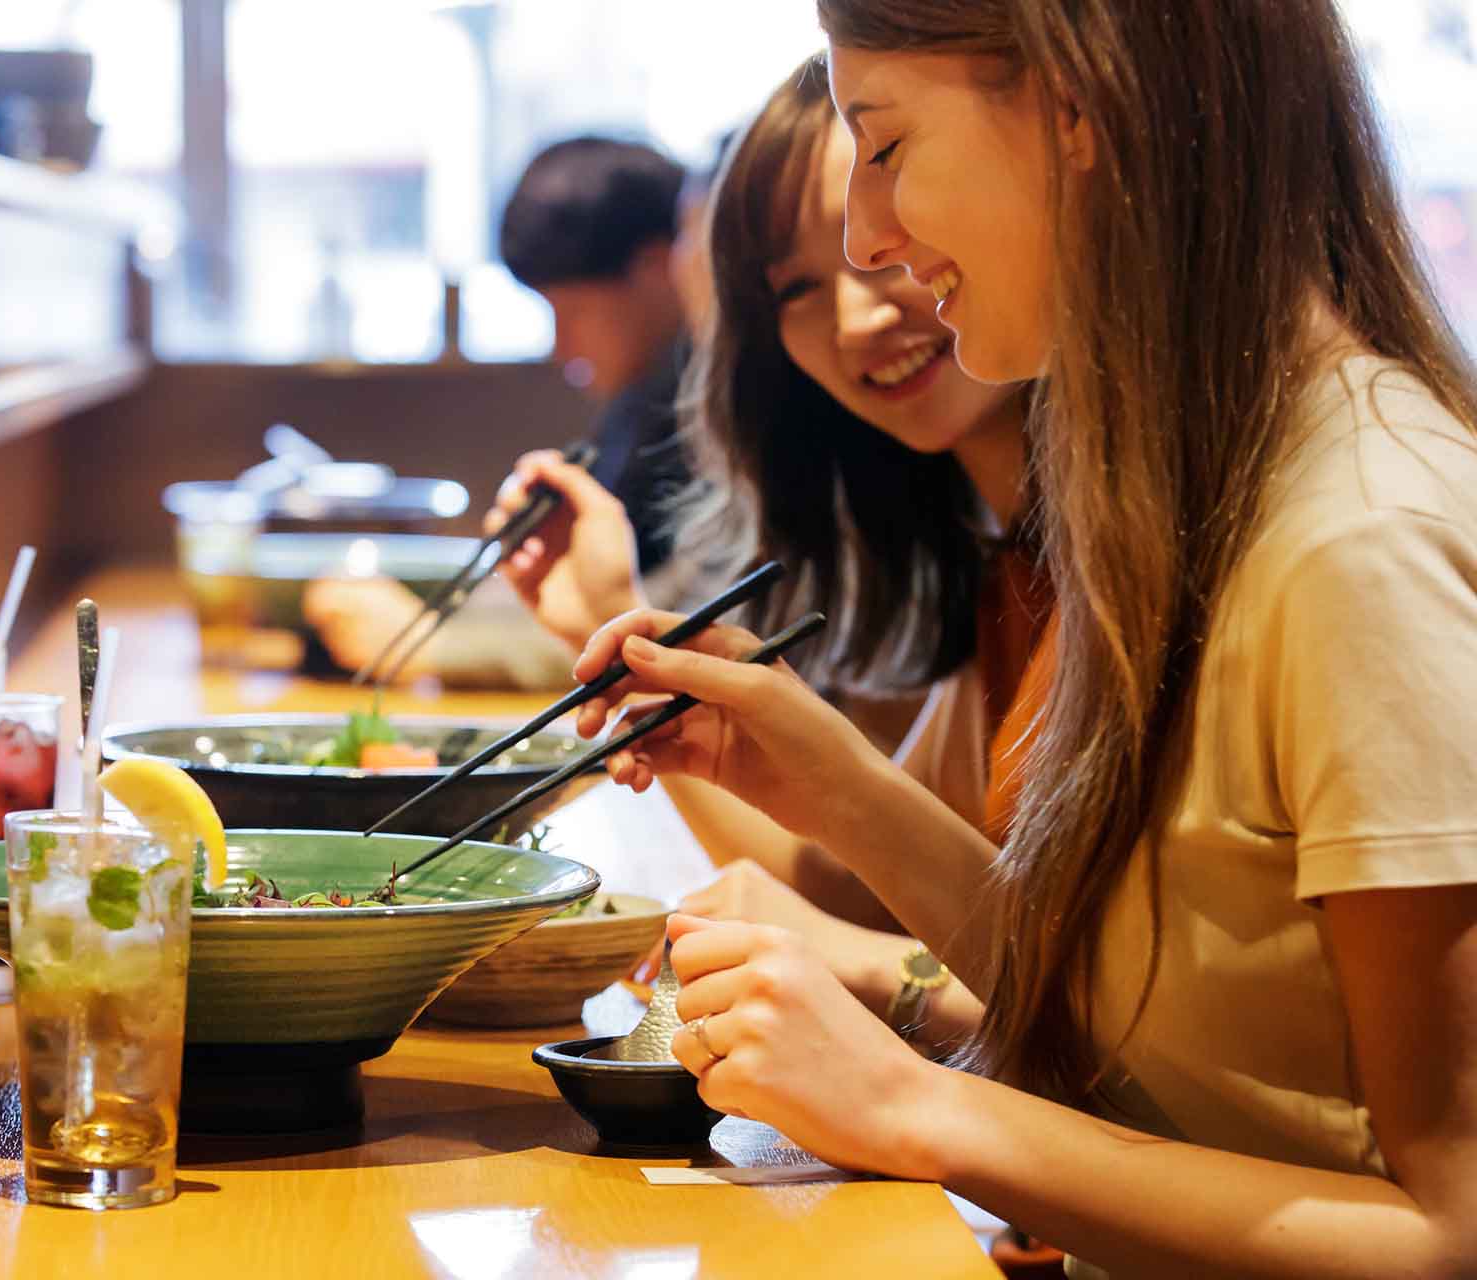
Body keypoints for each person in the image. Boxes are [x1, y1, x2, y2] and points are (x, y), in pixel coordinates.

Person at [573, 2, 1477, 1274]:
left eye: (882, 148)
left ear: (1076, 109)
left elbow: (1453, 1229)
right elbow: (1160, 1038)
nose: (863, 237)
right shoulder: (1191, 491)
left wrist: (920, 1107)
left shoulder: (1358, 537)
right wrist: (830, 779)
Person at [489, 57, 1040, 1049]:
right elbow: (876, 893)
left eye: (884, 249)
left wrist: (871, 970)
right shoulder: (995, 552)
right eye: (795, 287)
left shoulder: (1149, 559)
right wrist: (606, 630)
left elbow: (1109, 1016)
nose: (858, 317)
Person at [304, 135, 697, 687]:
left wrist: (442, 648)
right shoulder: (648, 399)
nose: (561, 347)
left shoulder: (727, 402)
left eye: (573, 310)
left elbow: (702, 617)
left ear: (664, 267)